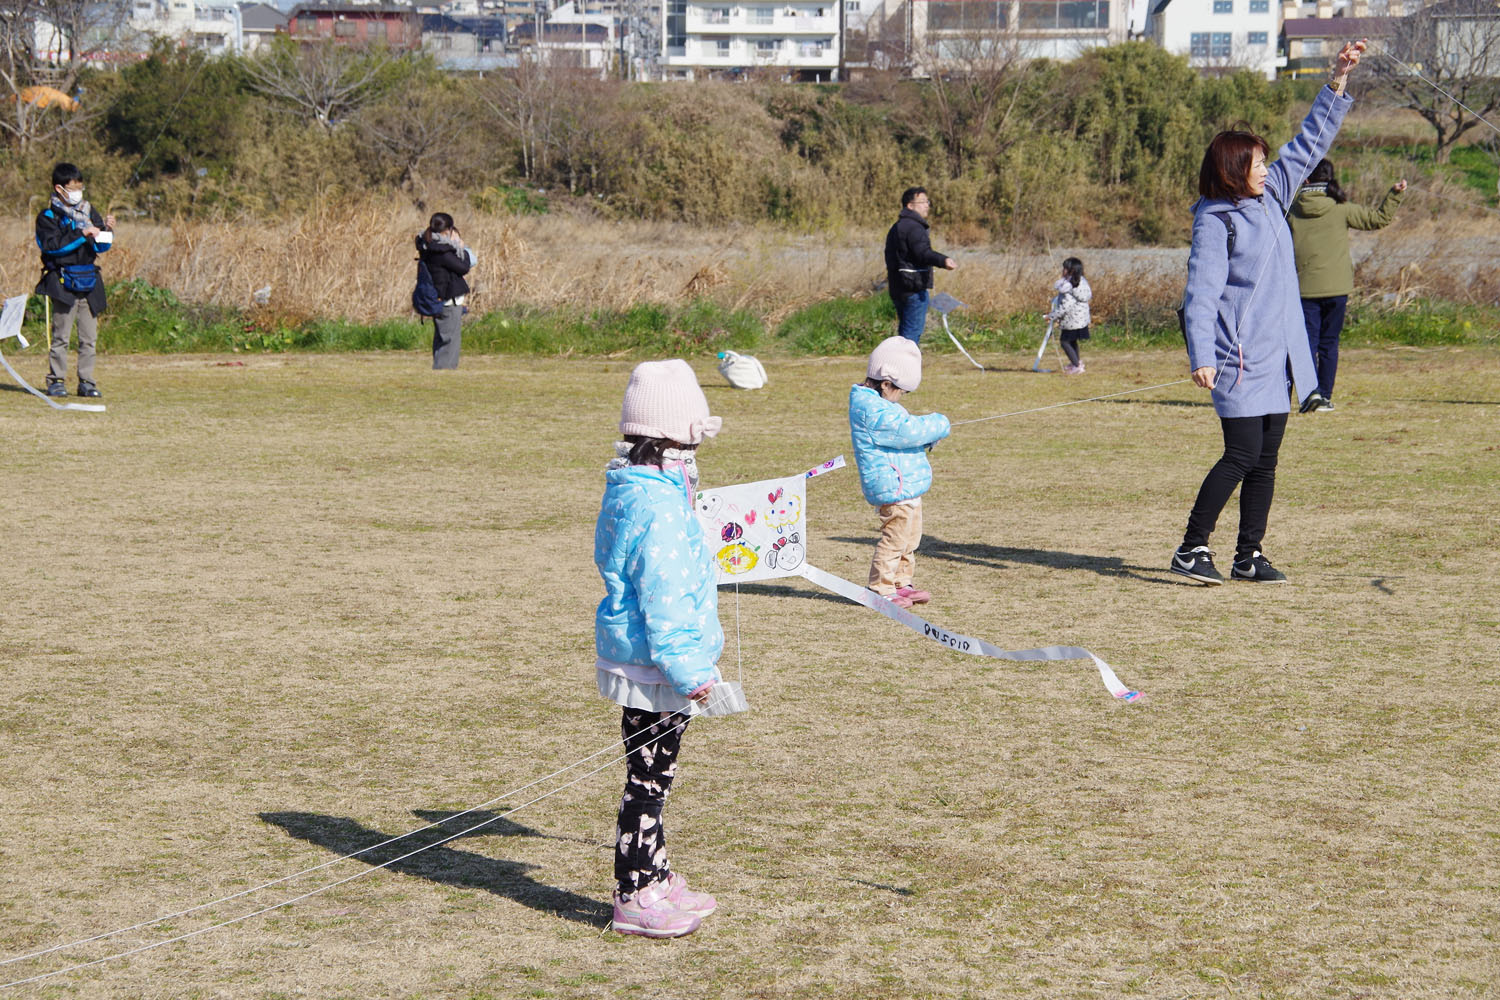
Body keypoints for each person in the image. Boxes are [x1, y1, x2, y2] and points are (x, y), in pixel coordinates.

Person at [1172, 39, 1367, 587]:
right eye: (1256, 162)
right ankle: (1191, 548)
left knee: (1267, 460)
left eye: (1264, 161)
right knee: (1240, 455)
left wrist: (1338, 80)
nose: (1265, 168)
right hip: (1234, 357)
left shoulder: (1274, 194)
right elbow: (1200, 294)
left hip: (1275, 357)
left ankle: (1248, 556)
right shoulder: (1216, 219)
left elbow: (1311, 140)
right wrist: (1202, 355)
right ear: (1234, 168)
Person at [595, 359, 724, 939]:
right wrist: (693, 672)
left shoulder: (638, 489)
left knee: (655, 778)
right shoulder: (659, 510)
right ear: (673, 441)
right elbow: (666, 603)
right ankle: (634, 893)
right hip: (656, 668)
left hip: (648, 660)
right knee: (646, 784)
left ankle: (659, 874)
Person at [1289, 160, 1406, 412]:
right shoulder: (1341, 209)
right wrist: (1394, 194)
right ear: (1329, 180)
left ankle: (1310, 394)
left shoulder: (1290, 211)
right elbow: (1379, 218)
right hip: (1338, 289)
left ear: (1305, 180)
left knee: (1306, 343)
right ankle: (1325, 397)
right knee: (1328, 343)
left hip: (1303, 289)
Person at [849, 337, 950, 608]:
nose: (902, 396)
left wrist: (927, 439)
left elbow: (905, 433)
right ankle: (879, 589)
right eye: (901, 390)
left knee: (910, 539)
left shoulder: (885, 405)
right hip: (892, 488)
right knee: (894, 540)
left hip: (908, 486)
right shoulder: (869, 408)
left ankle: (901, 583)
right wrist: (939, 424)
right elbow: (905, 431)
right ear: (885, 383)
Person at [35, 162, 114, 398]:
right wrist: (82, 233)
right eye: (73, 187)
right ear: (59, 188)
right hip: (63, 283)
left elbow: (102, 244)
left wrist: (107, 230)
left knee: (89, 338)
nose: (78, 191)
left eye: (80, 186)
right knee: (61, 337)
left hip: (89, 281)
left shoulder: (89, 211)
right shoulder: (47, 216)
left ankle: (87, 382)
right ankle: (56, 380)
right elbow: (53, 247)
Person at [884, 187, 957, 345]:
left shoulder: (897, 227)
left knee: (904, 335)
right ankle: (905, 367)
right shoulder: (914, 227)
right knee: (911, 337)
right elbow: (922, 252)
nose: (927, 206)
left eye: (927, 202)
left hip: (898, 288)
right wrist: (943, 260)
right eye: (923, 202)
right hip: (913, 289)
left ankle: (897, 366)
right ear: (910, 206)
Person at [415, 213, 473, 370]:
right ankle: (443, 372)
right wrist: (462, 249)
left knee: (442, 338)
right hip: (448, 300)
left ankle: (441, 369)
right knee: (450, 340)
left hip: (438, 298)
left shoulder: (427, 245)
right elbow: (463, 267)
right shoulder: (442, 251)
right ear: (448, 230)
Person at [1046, 257, 1092, 375]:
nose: (1063, 271)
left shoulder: (1069, 287)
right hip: (1080, 320)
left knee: (1064, 342)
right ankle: (1076, 362)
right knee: (1072, 341)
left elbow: (1065, 306)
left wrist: (1052, 316)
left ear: (1071, 271)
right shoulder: (1081, 282)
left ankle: (1077, 366)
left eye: (1065, 268)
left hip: (1072, 320)